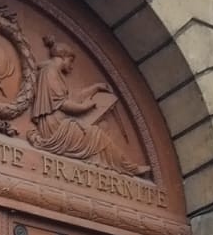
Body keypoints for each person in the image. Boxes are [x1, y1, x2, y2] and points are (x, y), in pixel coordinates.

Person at [28, 37, 149, 175]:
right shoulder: (50, 72)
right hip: (56, 128)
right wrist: (86, 107)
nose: (71, 66)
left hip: (61, 124)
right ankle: (129, 168)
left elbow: (72, 98)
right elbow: (64, 104)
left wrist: (95, 88)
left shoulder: (52, 71)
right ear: (63, 57)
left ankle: (112, 165)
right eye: (71, 60)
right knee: (97, 134)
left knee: (102, 126)